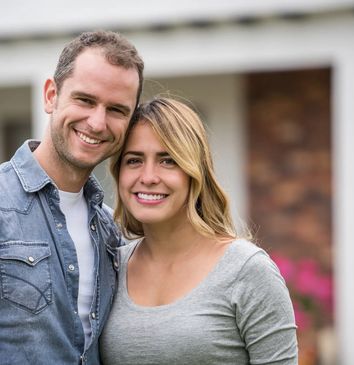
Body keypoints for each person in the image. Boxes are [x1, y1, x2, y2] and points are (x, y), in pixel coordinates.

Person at [101, 97, 298, 364]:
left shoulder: (247, 270)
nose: (147, 177)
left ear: (195, 171)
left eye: (168, 160)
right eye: (134, 160)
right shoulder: (110, 267)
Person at [0, 30, 144, 364]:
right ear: (51, 95)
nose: (97, 122)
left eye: (116, 110)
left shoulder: (112, 231)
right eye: (85, 100)